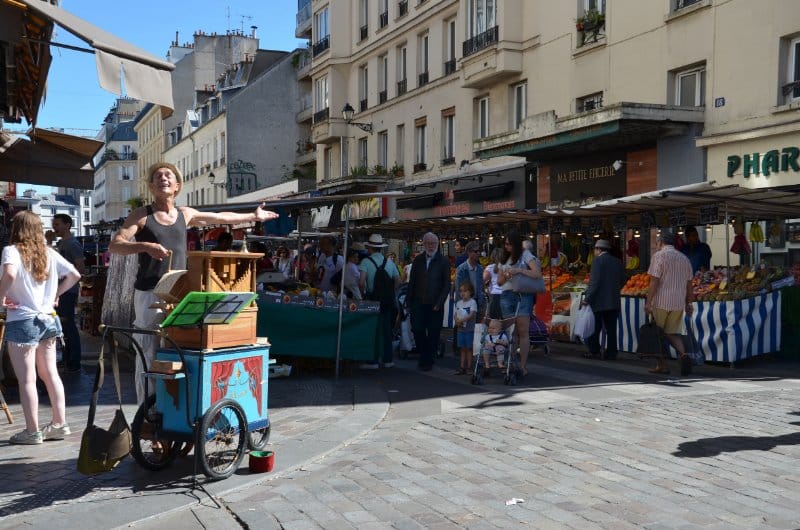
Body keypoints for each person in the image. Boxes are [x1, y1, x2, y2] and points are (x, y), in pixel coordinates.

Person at [109, 162, 279, 404]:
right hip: (149, 293)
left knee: (177, 349)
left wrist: (253, 215)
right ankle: (147, 412)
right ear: (151, 186)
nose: (163, 178)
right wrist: (144, 246)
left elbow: (220, 217)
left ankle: (172, 407)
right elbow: (115, 245)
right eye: (157, 176)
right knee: (148, 351)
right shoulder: (142, 215)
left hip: (179, 294)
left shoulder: (185, 214)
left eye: (168, 175)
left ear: (177, 186)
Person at [1, 211, 81, 444]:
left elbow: (9, 273)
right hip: (48, 318)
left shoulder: (12, 251)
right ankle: (59, 424)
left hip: (23, 319)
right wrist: (55, 294)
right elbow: (75, 274)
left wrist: (0, 298)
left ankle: (32, 431)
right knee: (50, 374)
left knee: (27, 379)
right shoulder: (48, 252)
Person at [645, 231, 694, 376]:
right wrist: (689, 303)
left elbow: (654, 281)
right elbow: (689, 284)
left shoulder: (659, 256)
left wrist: (648, 301)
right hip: (678, 302)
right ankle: (684, 355)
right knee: (672, 333)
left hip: (661, 301)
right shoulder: (684, 258)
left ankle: (662, 365)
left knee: (658, 334)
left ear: (660, 243)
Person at [496, 229, 542, 378]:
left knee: (523, 331)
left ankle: (522, 365)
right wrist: (506, 275)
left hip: (523, 295)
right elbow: (499, 281)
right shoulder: (504, 259)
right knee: (511, 332)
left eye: (509, 244)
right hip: (507, 295)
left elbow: (536, 273)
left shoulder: (525, 255)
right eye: (505, 244)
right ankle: (511, 362)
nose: (507, 247)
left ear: (516, 244)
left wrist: (519, 271)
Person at [407, 232, 451, 371]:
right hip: (418, 302)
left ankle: (428, 360)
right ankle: (424, 355)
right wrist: (409, 302)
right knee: (417, 330)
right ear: (424, 244)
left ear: (437, 244)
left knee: (433, 333)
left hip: (435, 304)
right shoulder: (418, 260)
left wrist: (440, 302)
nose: (431, 246)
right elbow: (412, 282)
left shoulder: (443, 261)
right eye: (429, 243)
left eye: (434, 243)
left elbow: (446, 285)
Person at [359, 234, 400, 369]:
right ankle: (388, 360)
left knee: (373, 330)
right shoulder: (390, 263)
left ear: (369, 248)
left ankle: (373, 361)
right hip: (387, 301)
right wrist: (390, 293)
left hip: (372, 300)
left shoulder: (365, 262)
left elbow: (361, 282)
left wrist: (364, 293)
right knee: (387, 330)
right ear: (381, 248)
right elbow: (397, 281)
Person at [51, 213, 85, 374]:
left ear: (67, 225)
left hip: (68, 290)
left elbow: (80, 267)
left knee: (68, 324)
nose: (54, 227)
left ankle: (74, 360)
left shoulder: (72, 244)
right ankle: (68, 358)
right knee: (63, 326)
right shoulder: (61, 243)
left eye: (57, 224)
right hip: (60, 290)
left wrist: (67, 279)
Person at [582, 239, 625, 360]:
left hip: (599, 301)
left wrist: (587, 298)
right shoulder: (618, 261)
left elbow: (594, 283)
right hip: (614, 301)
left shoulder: (597, 261)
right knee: (611, 329)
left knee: (595, 327)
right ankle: (611, 353)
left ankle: (594, 350)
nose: (594, 251)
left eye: (595, 249)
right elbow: (623, 281)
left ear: (599, 249)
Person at [455, 241, 485, 322]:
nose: (478, 253)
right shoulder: (461, 269)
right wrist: (459, 307)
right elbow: (458, 289)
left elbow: (482, 287)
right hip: (466, 303)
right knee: (465, 329)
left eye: (479, 251)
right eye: (475, 251)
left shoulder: (480, 269)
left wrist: (482, 303)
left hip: (478, 303)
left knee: (477, 330)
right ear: (468, 252)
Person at [453, 281, 477, 375]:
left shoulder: (472, 302)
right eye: (461, 291)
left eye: (465, 291)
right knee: (462, 348)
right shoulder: (459, 303)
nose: (462, 293)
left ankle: (469, 367)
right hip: (460, 329)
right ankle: (462, 366)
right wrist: (457, 321)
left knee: (469, 348)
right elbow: (455, 314)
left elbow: (471, 315)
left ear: (470, 292)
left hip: (469, 329)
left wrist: (461, 320)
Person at [483, 247, 504, 320]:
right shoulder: (507, 266)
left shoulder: (490, 267)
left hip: (495, 295)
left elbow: (483, 281)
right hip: (506, 294)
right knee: (505, 320)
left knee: (494, 320)